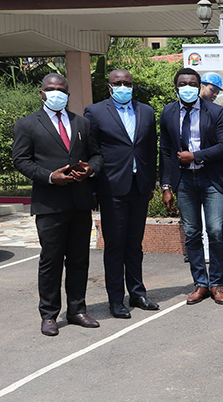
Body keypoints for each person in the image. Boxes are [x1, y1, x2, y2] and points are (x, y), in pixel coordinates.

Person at [12, 73, 104, 336]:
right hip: (49, 204)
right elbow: (21, 160)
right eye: (51, 89)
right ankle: (49, 315)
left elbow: (96, 155)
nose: (56, 93)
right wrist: (50, 177)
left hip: (80, 202)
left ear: (68, 94)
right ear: (42, 93)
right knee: (51, 261)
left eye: (61, 89)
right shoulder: (27, 124)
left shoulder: (82, 123)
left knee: (79, 259)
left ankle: (77, 310)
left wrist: (90, 170)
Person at [85, 69, 159, 319]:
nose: (123, 86)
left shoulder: (146, 111)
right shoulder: (95, 112)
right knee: (115, 246)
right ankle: (116, 300)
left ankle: (137, 294)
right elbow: (91, 151)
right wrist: (94, 188)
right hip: (111, 188)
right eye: (118, 83)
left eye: (127, 83)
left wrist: (151, 183)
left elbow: (150, 150)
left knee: (134, 245)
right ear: (109, 87)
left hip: (139, 187)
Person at [160, 67, 223, 306]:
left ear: (199, 86)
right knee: (192, 234)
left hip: (211, 179)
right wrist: (166, 186)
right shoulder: (168, 112)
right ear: (176, 87)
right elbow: (166, 151)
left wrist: (196, 156)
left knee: (215, 231)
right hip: (184, 183)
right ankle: (200, 283)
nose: (188, 88)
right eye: (183, 84)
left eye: (193, 83)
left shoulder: (215, 111)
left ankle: (217, 284)